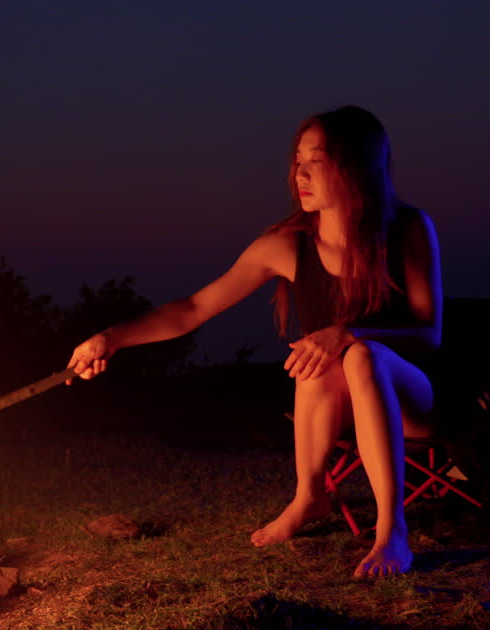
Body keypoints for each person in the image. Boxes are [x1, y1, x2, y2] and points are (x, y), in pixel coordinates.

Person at [67, 105, 441, 578]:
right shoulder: (286, 245)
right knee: (316, 356)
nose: (299, 174)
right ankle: (309, 496)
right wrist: (111, 337)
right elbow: (193, 309)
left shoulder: (406, 229)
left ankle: (392, 533)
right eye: (297, 160)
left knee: (360, 355)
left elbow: (429, 335)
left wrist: (348, 333)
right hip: (337, 406)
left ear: (356, 166)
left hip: (411, 400)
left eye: (317, 161)